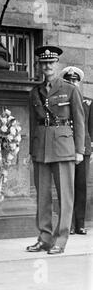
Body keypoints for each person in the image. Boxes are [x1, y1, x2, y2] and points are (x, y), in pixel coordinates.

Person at [27, 45, 85, 255]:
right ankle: (44, 238)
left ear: (56, 64)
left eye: (51, 62)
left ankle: (61, 239)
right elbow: (33, 124)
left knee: (65, 195)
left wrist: (80, 149)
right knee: (42, 196)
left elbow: (79, 121)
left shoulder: (70, 89)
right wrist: (32, 151)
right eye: (44, 63)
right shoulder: (35, 92)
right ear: (39, 65)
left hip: (63, 146)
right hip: (41, 147)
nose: (47, 66)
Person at [60, 66, 93, 235]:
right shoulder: (61, 101)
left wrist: (91, 147)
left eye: (75, 80)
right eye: (69, 80)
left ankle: (80, 223)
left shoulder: (88, 102)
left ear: (79, 82)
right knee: (67, 186)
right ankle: (68, 224)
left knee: (81, 186)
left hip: (84, 148)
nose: (72, 83)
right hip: (65, 147)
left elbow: (91, 127)